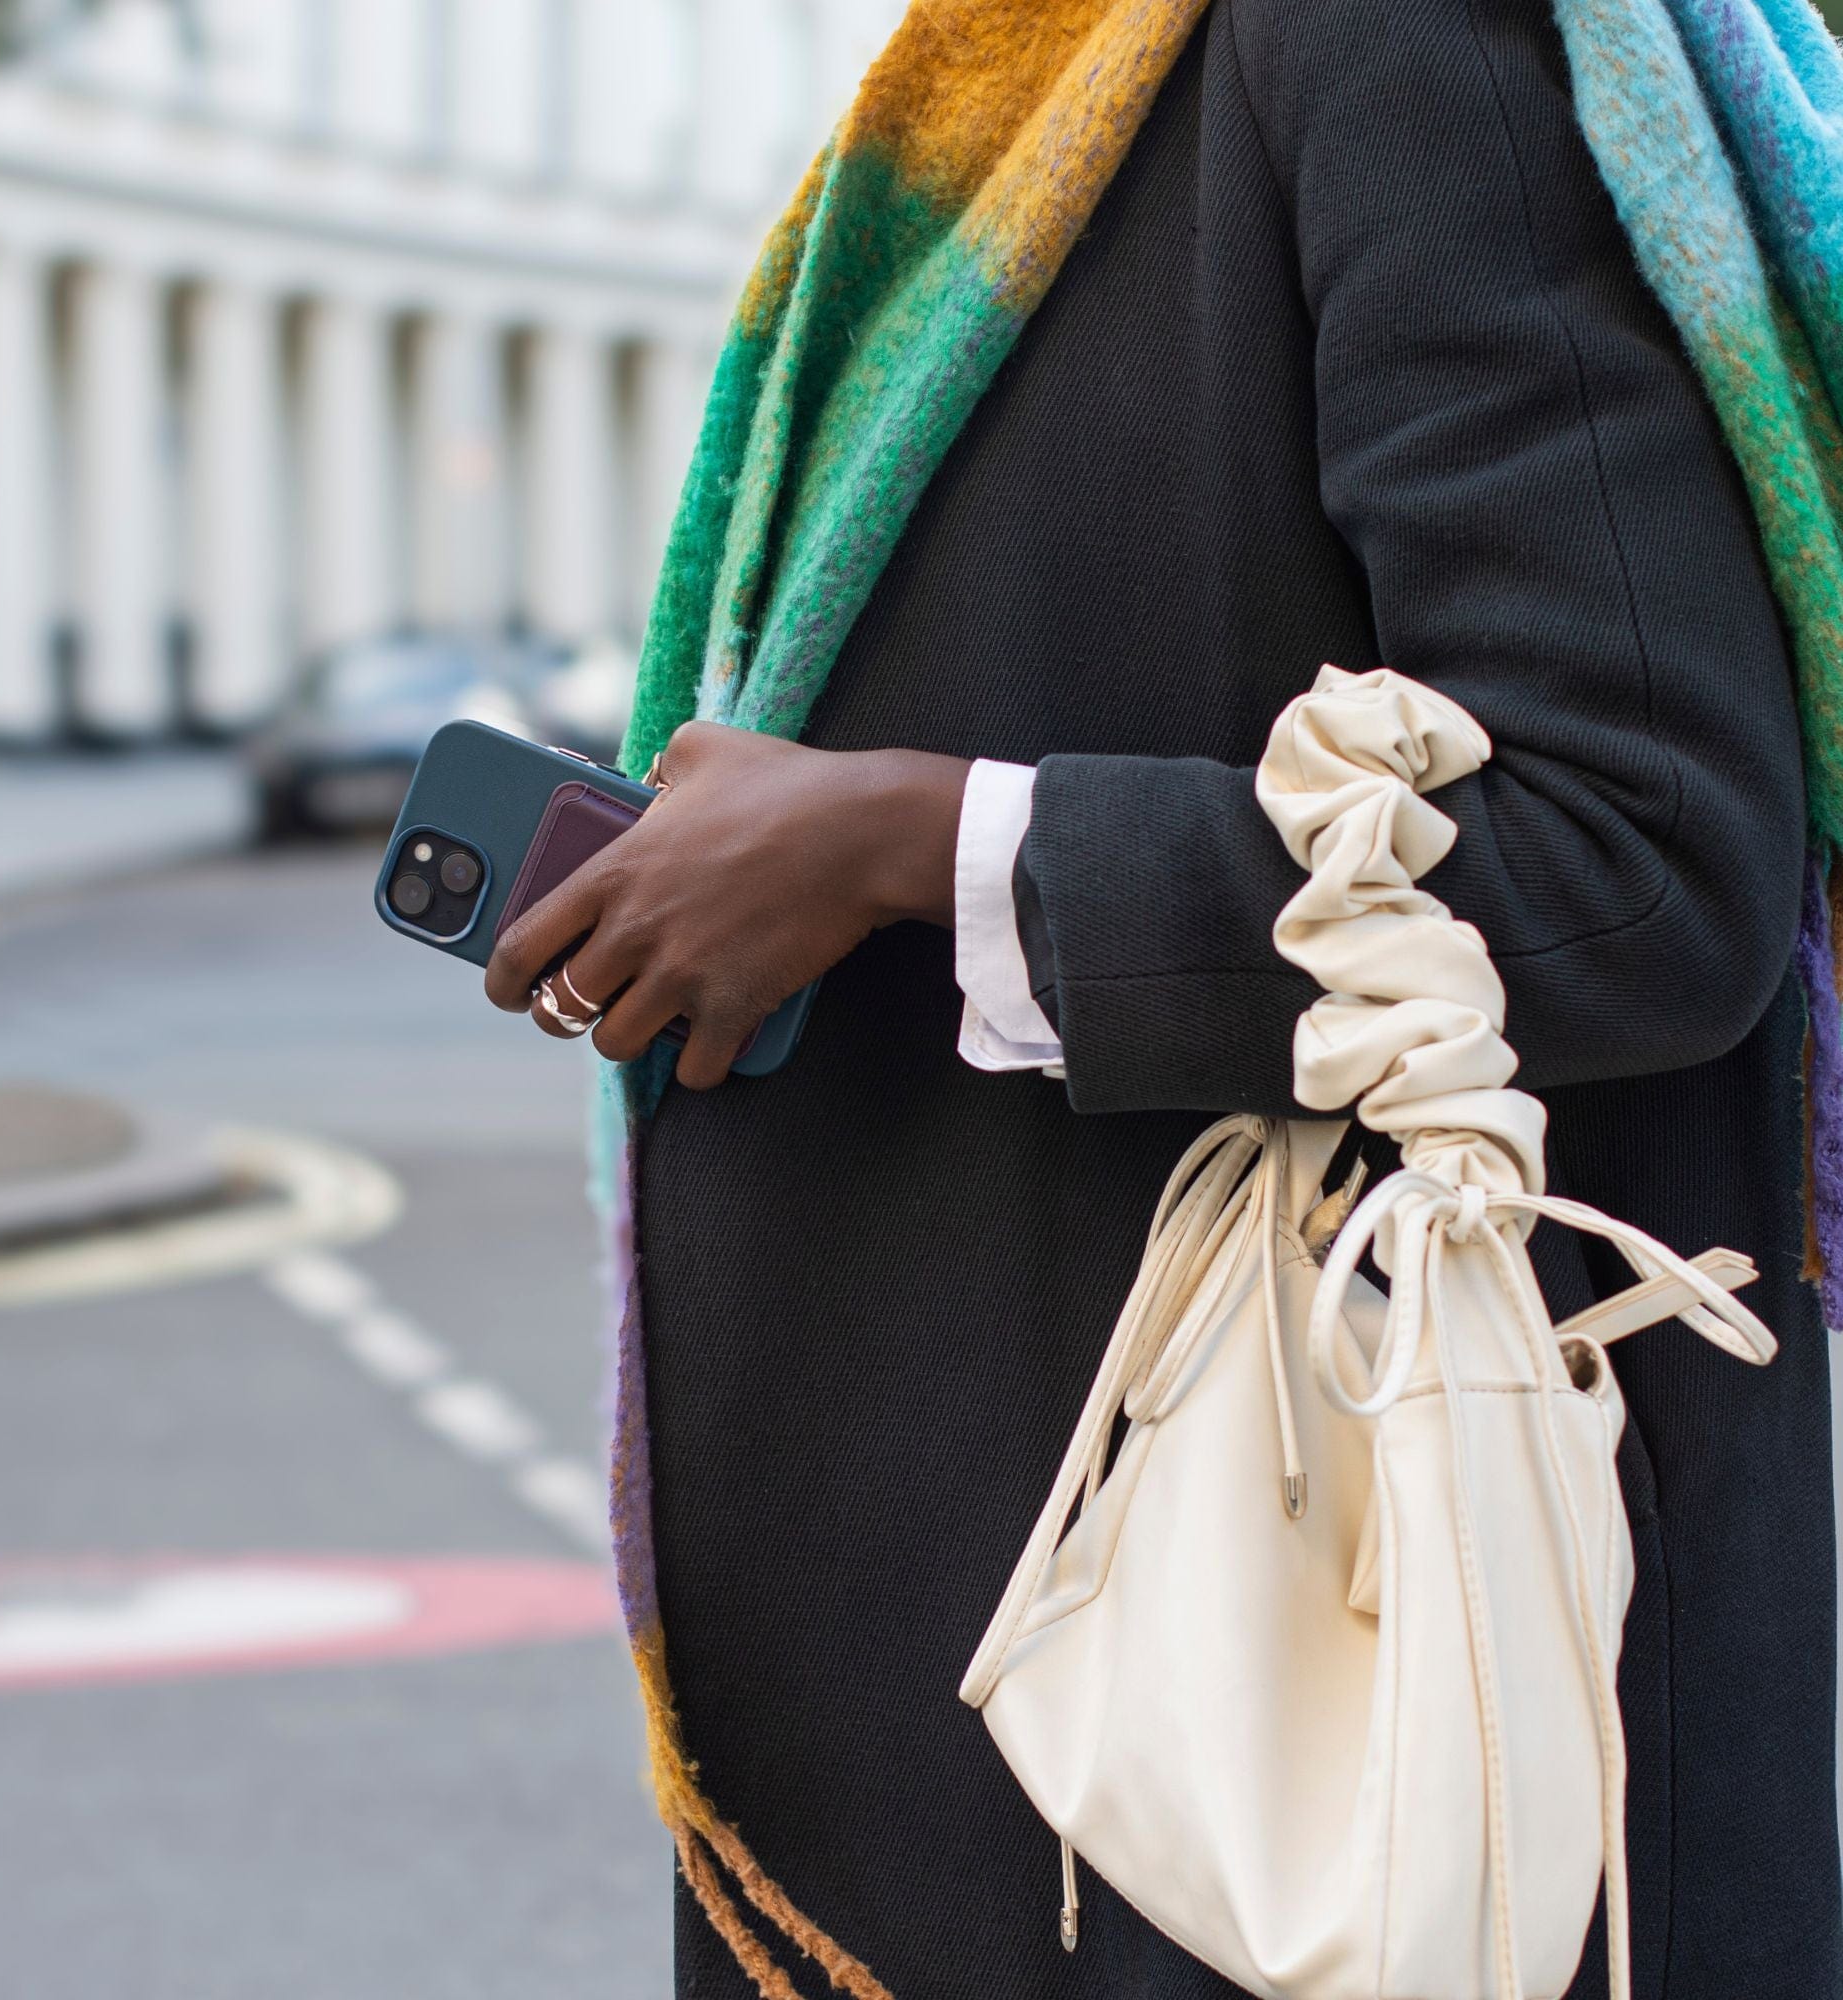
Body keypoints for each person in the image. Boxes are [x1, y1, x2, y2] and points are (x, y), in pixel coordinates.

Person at [487, 0, 1843, 1992]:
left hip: (1310, 1710)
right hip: (1073, 1668)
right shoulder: (1035, 86)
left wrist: (906, 842)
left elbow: (1631, 853)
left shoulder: (1392, 47)